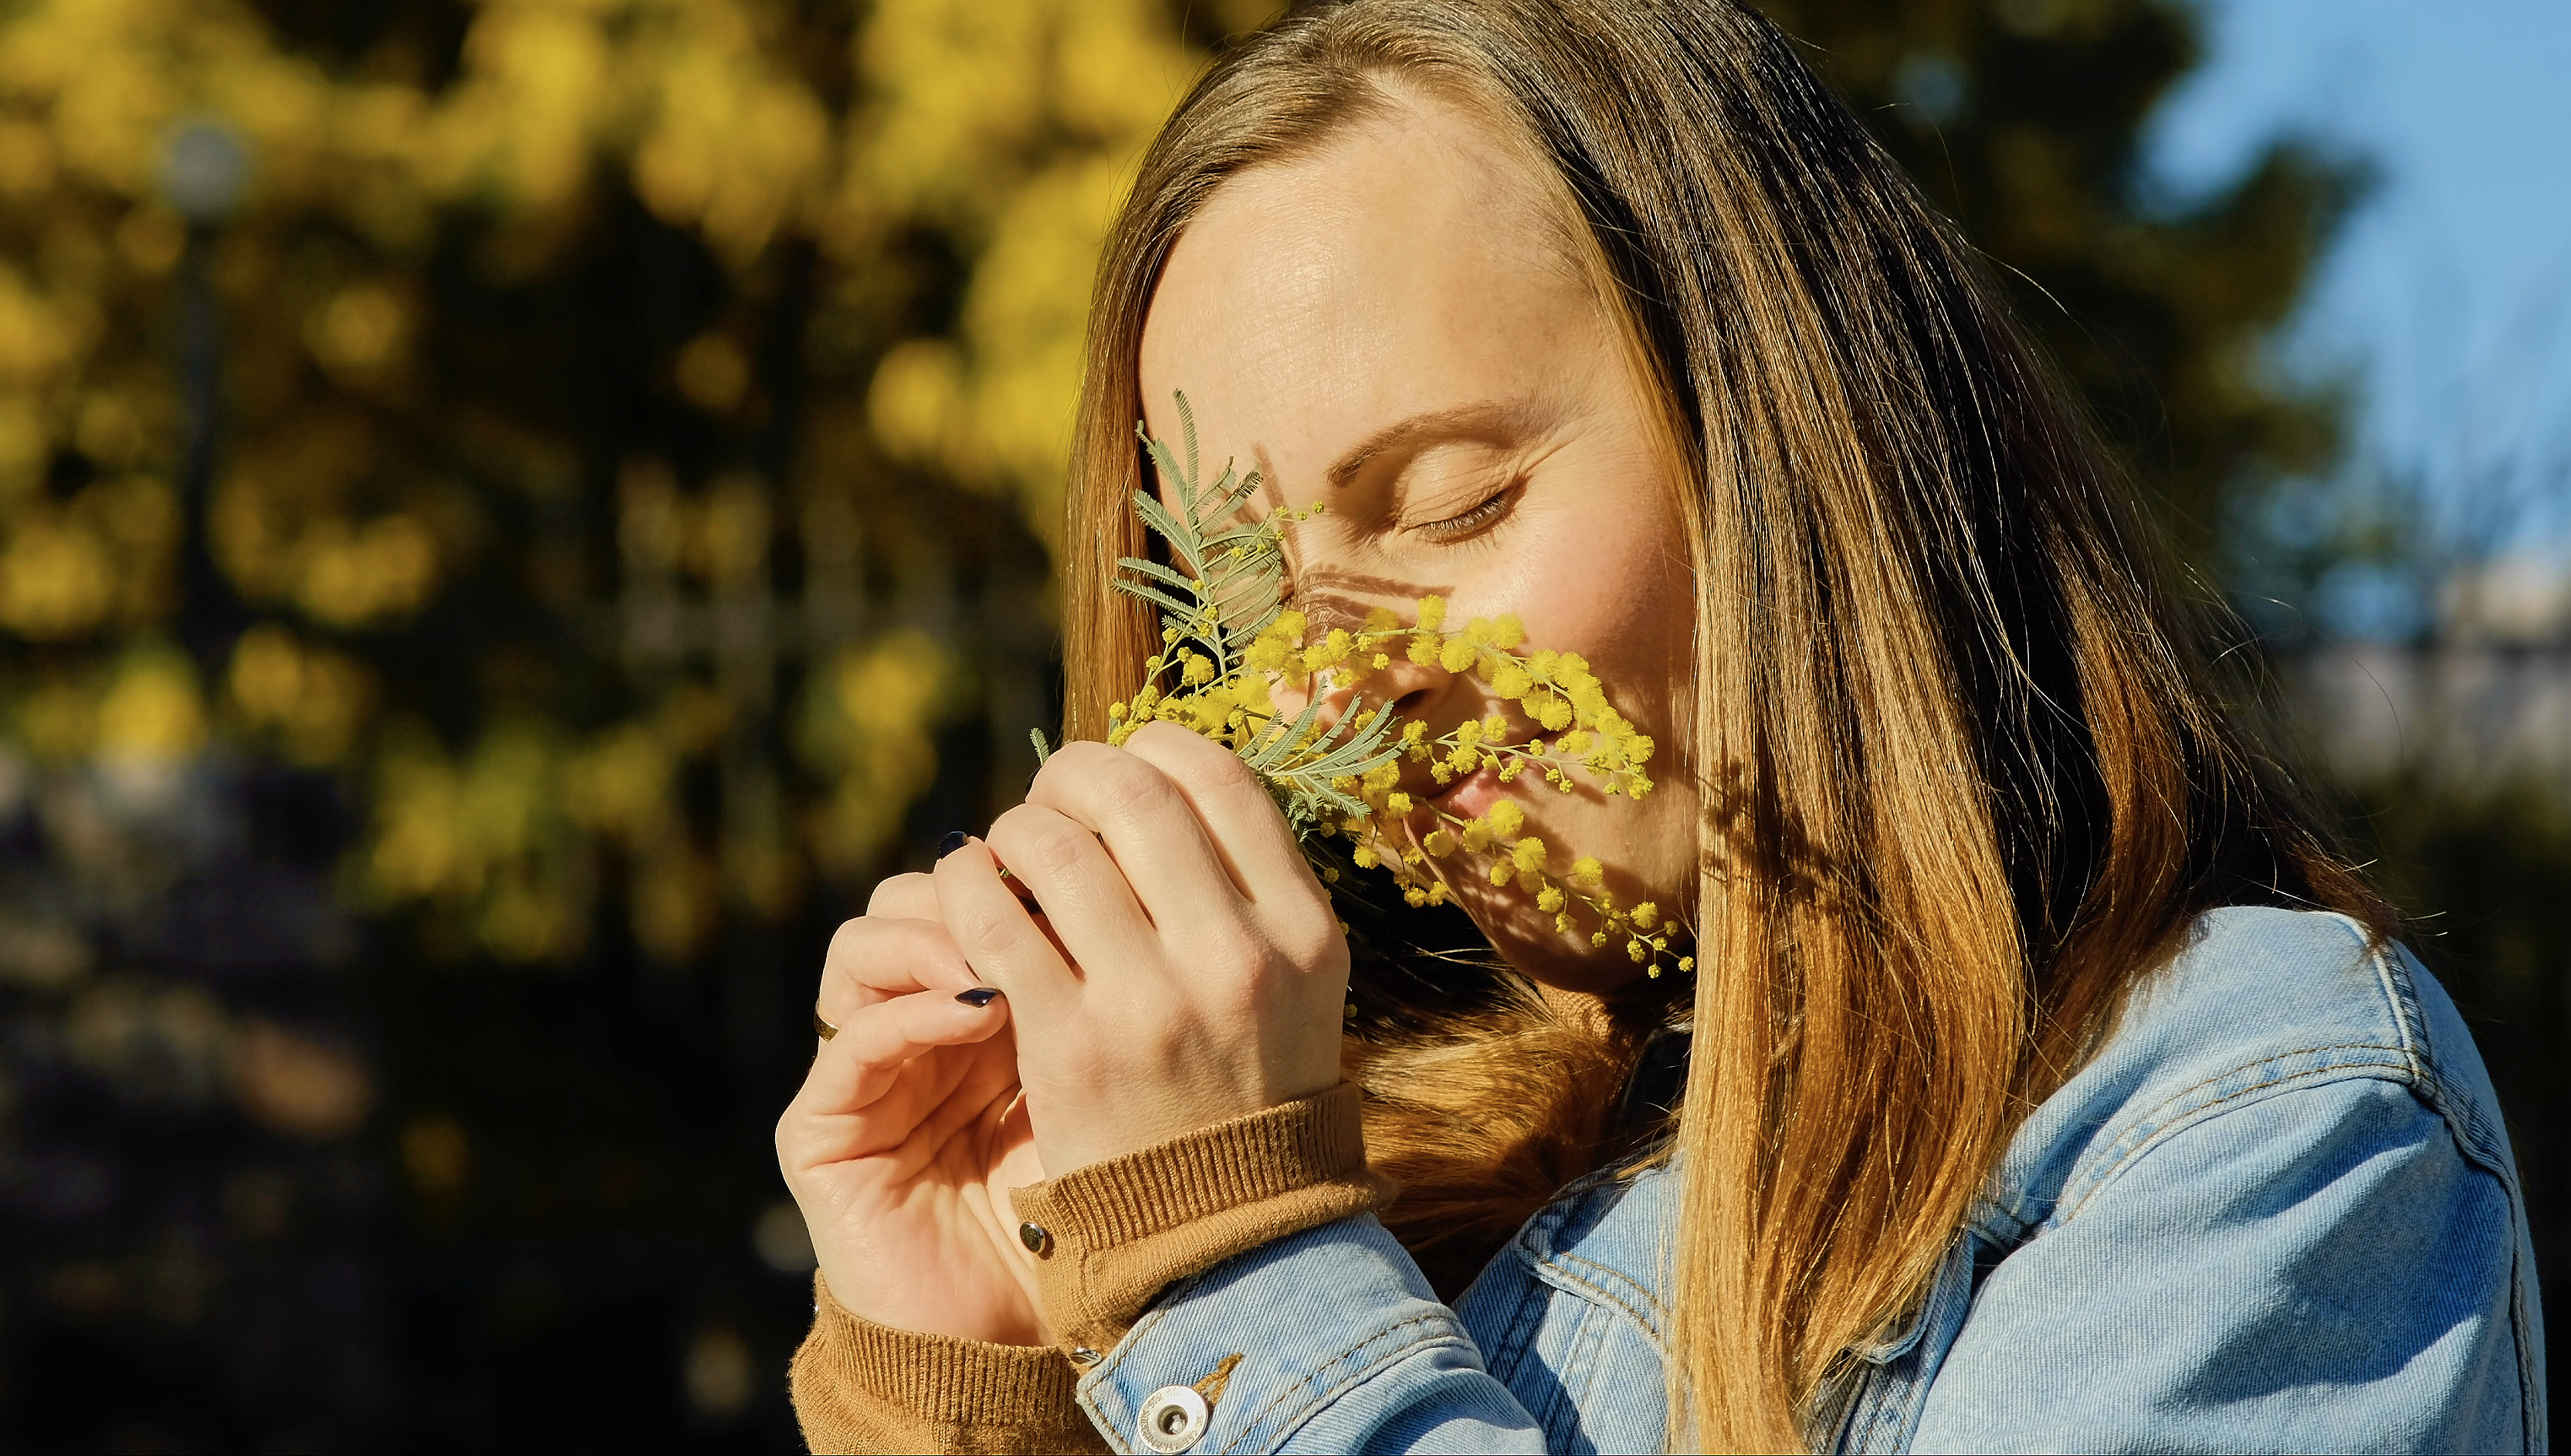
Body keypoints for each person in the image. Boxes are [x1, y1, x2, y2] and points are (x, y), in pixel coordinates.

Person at [774, 2, 2545, 1451]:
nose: (1327, 683)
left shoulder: (2237, 1122)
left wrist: (1237, 1274)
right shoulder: (1377, 1180)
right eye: (1242, 606)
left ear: (1785, 441)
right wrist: (993, 1372)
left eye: (1454, 502)